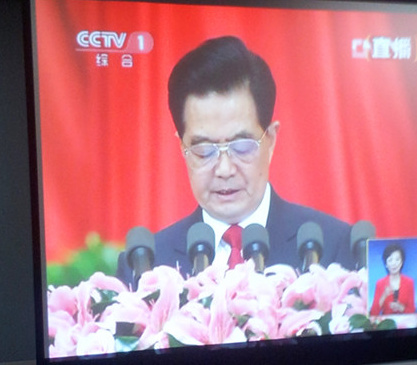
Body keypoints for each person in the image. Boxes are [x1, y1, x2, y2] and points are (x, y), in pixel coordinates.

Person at [117, 36, 354, 286]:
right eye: (204, 150)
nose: (224, 169)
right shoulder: (147, 265)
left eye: (241, 146)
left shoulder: (335, 248)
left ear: (270, 140)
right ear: (182, 147)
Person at [370, 243, 415, 315]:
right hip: (387, 321)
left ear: (402, 262)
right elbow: (373, 312)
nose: (394, 263)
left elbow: (412, 311)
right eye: (390, 260)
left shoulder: (409, 282)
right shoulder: (380, 283)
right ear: (386, 264)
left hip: (405, 320)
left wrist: (401, 308)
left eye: (397, 259)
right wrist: (384, 295)